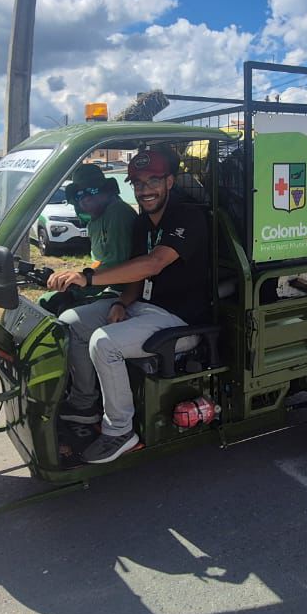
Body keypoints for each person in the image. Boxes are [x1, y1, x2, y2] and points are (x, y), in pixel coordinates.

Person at [46, 147, 212, 464]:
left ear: (170, 181)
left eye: (153, 181)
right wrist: (122, 302)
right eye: (138, 183)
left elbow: (153, 263)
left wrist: (88, 277)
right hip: (142, 309)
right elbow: (138, 274)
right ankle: (85, 403)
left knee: (104, 342)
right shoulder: (142, 223)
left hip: (180, 321)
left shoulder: (188, 217)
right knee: (70, 322)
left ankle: (120, 430)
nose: (145, 189)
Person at [39, 163, 137, 315]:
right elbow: (98, 261)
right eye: (79, 194)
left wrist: (83, 282)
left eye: (92, 190)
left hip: (121, 290)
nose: (85, 198)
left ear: (106, 190)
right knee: (46, 301)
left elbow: (117, 264)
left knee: (65, 313)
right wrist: (76, 278)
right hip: (100, 284)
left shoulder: (118, 213)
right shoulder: (94, 220)